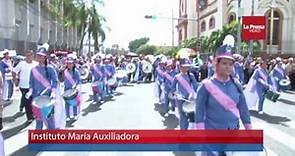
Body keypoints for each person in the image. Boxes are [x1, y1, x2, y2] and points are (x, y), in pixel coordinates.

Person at [195, 45, 252, 156]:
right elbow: (199, 112)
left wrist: (249, 129)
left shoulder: (236, 84)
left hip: (233, 132)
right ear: (217, 64)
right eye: (224, 63)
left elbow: (243, 109)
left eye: (230, 64)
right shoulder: (206, 85)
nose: (228, 67)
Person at [26, 47, 58, 129]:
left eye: (41, 56)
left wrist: (53, 92)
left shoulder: (50, 68)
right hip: (36, 97)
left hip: (48, 97)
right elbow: (31, 83)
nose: (40, 58)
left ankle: (52, 137)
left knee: (50, 119)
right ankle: (38, 139)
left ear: (45, 57)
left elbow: (55, 82)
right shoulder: (33, 69)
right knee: (38, 120)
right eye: (38, 56)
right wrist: (30, 91)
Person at [171, 58, 199, 130]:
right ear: (180, 66)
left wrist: (196, 95)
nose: (185, 68)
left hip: (190, 99)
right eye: (183, 67)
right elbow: (173, 88)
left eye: (187, 67)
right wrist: (175, 93)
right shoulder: (177, 77)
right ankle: (183, 131)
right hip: (180, 99)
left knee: (191, 115)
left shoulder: (191, 75)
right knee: (182, 116)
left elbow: (196, 87)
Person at [12, 51, 37, 122]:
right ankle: (29, 117)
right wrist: (15, 80)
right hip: (24, 86)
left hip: (33, 86)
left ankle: (32, 113)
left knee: (33, 101)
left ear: (33, 56)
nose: (28, 57)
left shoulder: (36, 64)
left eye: (29, 55)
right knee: (27, 102)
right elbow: (14, 71)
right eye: (27, 55)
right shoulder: (21, 64)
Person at [63, 57, 81, 121]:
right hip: (66, 89)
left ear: (73, 64)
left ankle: (75, 115)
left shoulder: (75, 71)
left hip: (73, 89)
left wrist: (75, 85)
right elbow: (61, 79)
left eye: (71, 63)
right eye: (68, 63)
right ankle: (67, 116)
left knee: (74, 102)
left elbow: (78, 80)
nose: (69, 65)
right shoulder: (65, 71)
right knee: (67, 103)